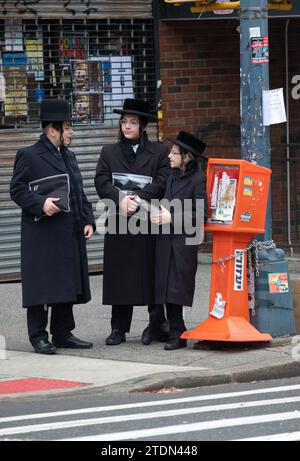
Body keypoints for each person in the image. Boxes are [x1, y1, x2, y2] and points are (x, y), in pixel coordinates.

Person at [10, 99, 95, 354]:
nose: (71, 133)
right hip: (42, 233)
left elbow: (79, 192)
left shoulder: (69, 156)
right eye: (67, 128)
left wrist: (89, 220)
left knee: (65, 282)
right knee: (42, 284)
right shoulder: (29, 155)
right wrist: (41, 203)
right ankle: (38, 336)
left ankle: (62, 332)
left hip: (69, 231)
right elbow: (17, 190)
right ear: (52, 130)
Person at [95, 98, 171, 346]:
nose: (127, 126)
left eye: (132, 122)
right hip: (120, 221)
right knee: (119, 274)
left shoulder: (159, 152)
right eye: (124, 122)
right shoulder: (109, 151)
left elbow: (163, 180)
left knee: (152, 272)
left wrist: (138, 198)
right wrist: (119, 199)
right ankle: (118, 328)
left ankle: (156, 324)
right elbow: (101, 181)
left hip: (149, 220)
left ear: (143, 126)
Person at [150, 131, 208, 350]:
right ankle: (178, 330)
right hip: (165, 238)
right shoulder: (172, 176)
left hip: (183, 242)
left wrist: (171, 217)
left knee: (176, 289)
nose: (169, 157)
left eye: (174, 153)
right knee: (165, 287)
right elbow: (166, 198)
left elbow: (201, 214)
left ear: (187, 157)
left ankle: (178, 332)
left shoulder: (198, 179)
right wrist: (157, 210)